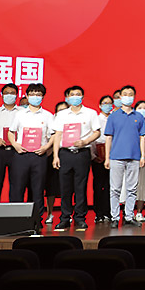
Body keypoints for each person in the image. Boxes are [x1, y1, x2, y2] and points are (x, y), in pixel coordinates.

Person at [51, 87, 100, 231]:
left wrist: (85, 141)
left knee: (81, 187)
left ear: (82, 96)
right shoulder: (62, 114)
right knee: (65, 188)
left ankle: (80, 218)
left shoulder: (90, 113)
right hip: (65, 153)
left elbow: (97, 132)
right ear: (67, 97)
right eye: (72, 95)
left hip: (82, 153)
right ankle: (65, 218)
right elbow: (57, 135)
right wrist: (55, 155)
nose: (75, 97)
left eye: (78, 94)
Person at [8, 83, 55, 225]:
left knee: (38, 189)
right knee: (17, 188)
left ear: (43, 97)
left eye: (38, 95)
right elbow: (11, 132)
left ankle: (36, 220)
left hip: (39, 156)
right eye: (32, 94)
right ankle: (15, 220)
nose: (35, 97)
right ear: (27, 96)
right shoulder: (20, 114)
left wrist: (46, 147)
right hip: (21, 155)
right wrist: (15, 145)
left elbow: (53, 135)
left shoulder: (48, 115)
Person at [103, 85, 145, 227]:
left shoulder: (139, 116)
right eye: (125, 94)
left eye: (131, 94)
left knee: (132, 189)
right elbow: (108, 138)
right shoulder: (113, 116)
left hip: (134, 157)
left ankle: (129, 216)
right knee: (115, 189)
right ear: (120, 97)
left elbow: (142, 137)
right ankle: (115, 217)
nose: (128, 96)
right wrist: (107, 157)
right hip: (116, 157)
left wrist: (142, 156)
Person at [45, 100, 68, 225]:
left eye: (65, 110)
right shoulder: (51, 123)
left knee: (67, 186)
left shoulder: (72, 122)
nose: (62, 113)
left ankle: (67, 213)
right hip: (51, 156)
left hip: (67, 155)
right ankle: (49, 213)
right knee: (51, 187)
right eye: (60, 110)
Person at [91, 95, 114, 224]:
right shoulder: (96, 119)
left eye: (110, 103)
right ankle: (98, 213)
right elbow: (92, 137)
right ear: (100, 105)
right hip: (98, 156)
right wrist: (94, 156)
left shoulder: (114, 118)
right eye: (105, 103)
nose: (107, 105)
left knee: (111, 186)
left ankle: (109, 212)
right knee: (99, 186)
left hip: (113, 157)